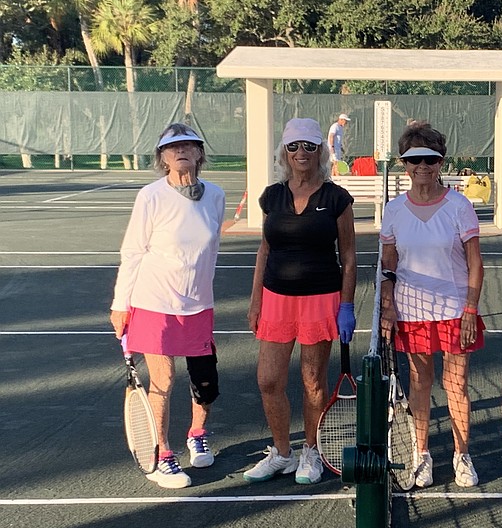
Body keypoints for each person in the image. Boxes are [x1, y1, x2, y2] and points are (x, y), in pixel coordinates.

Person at [110, 123, 226, 489]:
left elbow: (211, 249)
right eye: (172, 147)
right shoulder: (151, 196)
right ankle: (163, 454)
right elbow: (133, 251)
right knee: (163, 378)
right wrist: (120, 304)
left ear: (199, 153)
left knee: (205, 382)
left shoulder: (217, 196)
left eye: (189, 145)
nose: (181, 151)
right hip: (154, 300)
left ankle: (197, 433)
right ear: (162, 157)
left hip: (198, 306)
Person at [244, 117, 356, 485]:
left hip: (320, 299)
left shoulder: (336, 198)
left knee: (313, 382)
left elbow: (350, 256)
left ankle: (311, 450)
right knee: (268, 381)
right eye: (294, 146)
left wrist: (347, 304)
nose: (301, 153)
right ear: (284, 152)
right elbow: (265, 248)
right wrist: (256, 299)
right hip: (276, 300)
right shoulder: (271, 196)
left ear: (320, 151)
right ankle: (281, 452)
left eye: (309, 146)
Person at [379, 121, 485, 488]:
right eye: (414, 160)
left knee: (456, 384)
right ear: (403, 163)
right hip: (412, 312)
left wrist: (470, 308)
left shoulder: (459, 205)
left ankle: (462, 455)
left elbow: (475, 262)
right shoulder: (393, 210)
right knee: (419, 384)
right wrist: (388, 306)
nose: (422, 167)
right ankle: (421, 455)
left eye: (431, 159)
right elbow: (388, 262)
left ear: (441, 162)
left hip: (456, 311)